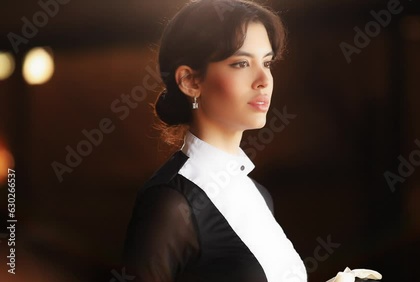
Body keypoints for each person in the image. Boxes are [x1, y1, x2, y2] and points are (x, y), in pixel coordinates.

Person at [121, 0, 307, 281]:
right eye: (241, 63)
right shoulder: (170, 202)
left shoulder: (257, 194)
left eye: (267, 62)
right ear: (190, 82)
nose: (263, 79)